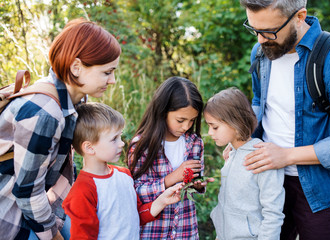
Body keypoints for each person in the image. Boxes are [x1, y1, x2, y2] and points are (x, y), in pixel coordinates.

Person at [238, 1, 330, 239]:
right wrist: (243, 137)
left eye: (269, 31)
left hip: (321, 189)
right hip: (269, 181)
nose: (261, 40)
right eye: (254, 30)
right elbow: (260, 101)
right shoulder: (261, 52)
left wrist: (286, 155)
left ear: (300, 16)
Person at [0, 18, 121, 240]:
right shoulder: (45, 113)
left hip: (45, 203)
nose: (112, 80)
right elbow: (27, 192)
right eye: (107, 72)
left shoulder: (74, 99)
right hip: (11, 216)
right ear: (76, 67)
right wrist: (54, 236)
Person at [62, 102, 183, 240]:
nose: (122, 143)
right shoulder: (83, 190)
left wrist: (162, 201)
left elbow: (135, 216)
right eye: (114, 139)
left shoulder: (124, 175)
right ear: (89, 148)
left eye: (120, 136)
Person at [127, 76, 214, 239]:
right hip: (153, 231)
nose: (186, 126)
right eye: (180, 120)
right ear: (162, 111)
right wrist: (173, 177)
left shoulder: (195, 143)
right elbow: (135, 191)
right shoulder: (142, 145)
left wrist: (198, 185)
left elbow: (193, 183)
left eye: (192, 120)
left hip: (185, 229)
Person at [204, 87, 285, 240]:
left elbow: (273, 214)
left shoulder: (262, 157)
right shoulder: (231, 154)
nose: (209, 133)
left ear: (235, 124)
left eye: (214, 127)